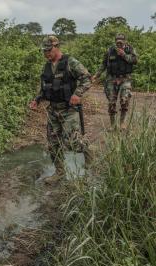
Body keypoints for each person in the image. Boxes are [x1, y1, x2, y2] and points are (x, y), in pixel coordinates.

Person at [30, 36, 92, 184]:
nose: (46, 53)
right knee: (52, 145)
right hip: (53, 110)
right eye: (44, 51)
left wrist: (77, 94)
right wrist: (37, 100)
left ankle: (89, 154)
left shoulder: (70, 62)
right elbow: (45, 88)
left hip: (69, 110)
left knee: (72, 143)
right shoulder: (46, 66)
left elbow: (87, 78)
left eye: (49, 50)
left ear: (57, 47)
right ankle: (59, 172)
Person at [92, 33, 138, 130]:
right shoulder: (110, 50)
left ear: (125, 41)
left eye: (121, 41)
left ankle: (122, 123)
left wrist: (124, 55)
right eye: (117, 41)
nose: (119, 43)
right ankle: (113, 125)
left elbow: (135, 60)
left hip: (125, 78)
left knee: (124, 100)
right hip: (111, 79)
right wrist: (96, 75)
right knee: (111, 102)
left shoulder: (130, 49)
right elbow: (103, 64)